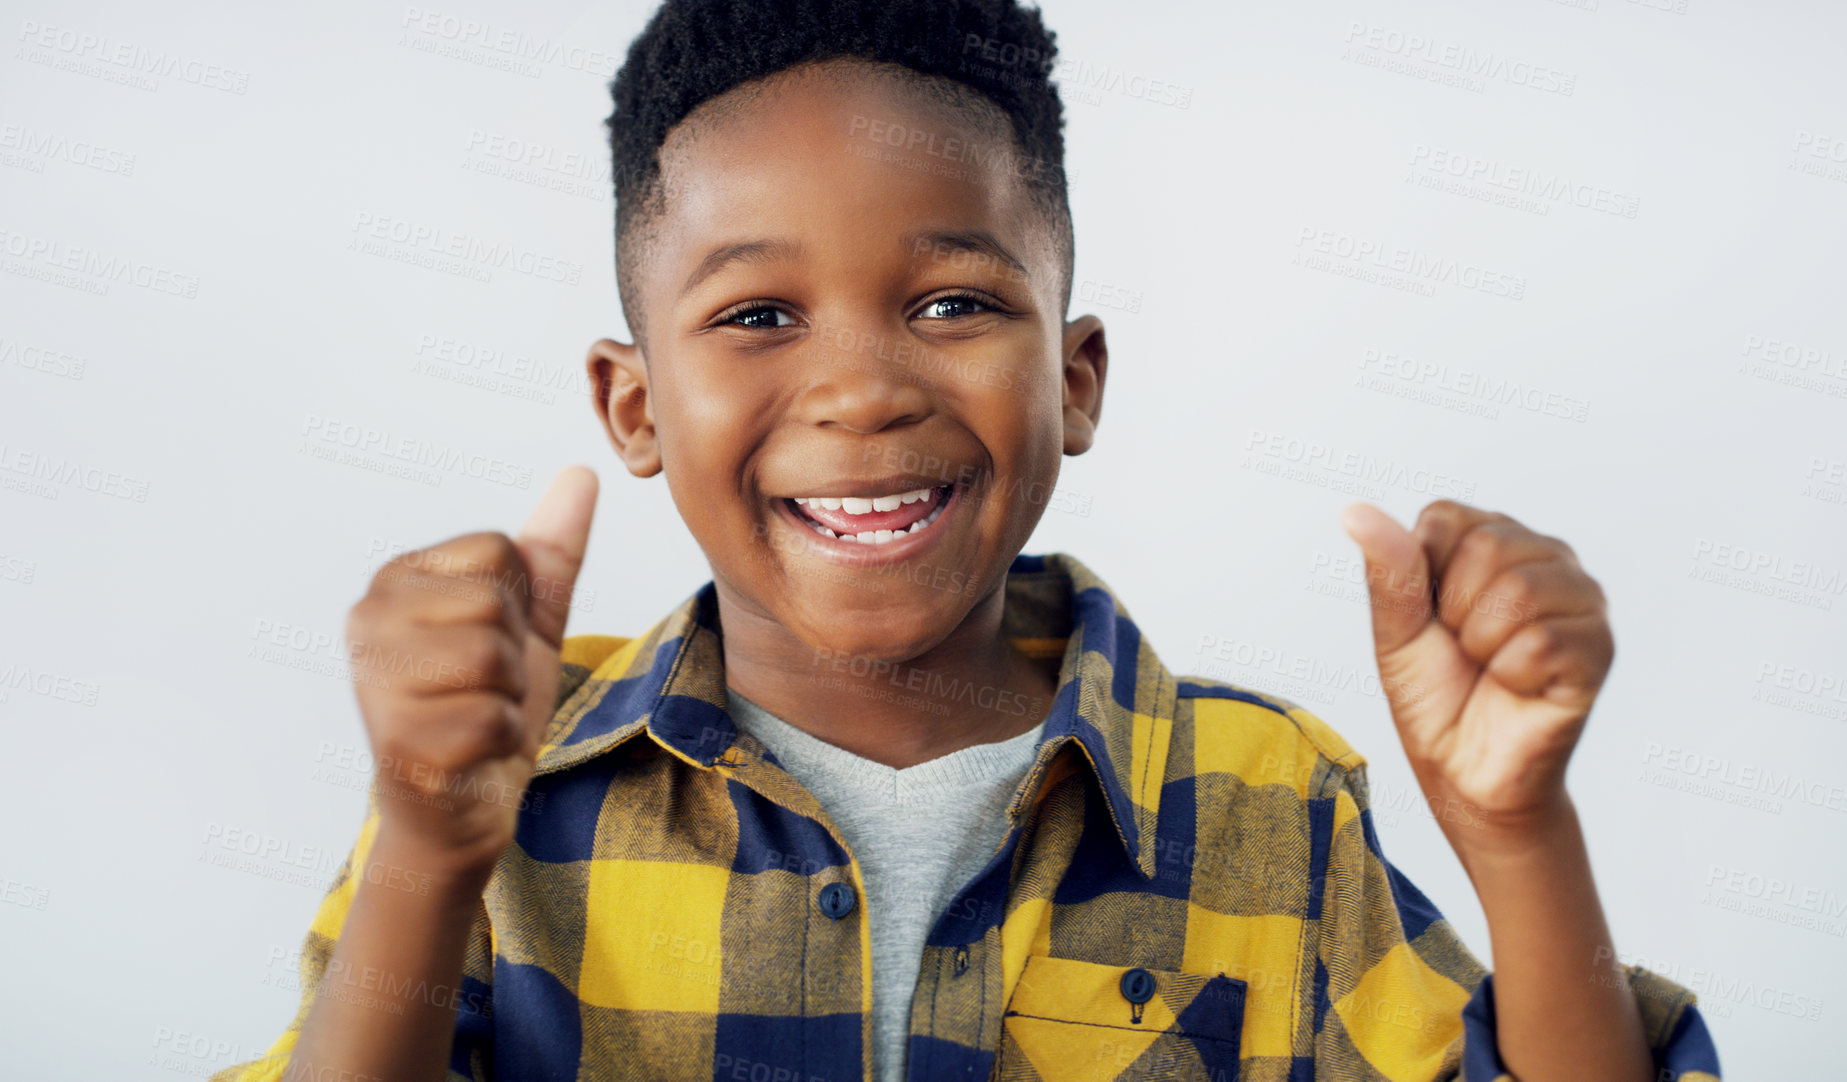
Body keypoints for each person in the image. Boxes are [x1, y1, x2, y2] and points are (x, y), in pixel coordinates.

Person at [211, 1, 1722, 1079]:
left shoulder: (1271, 805)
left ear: (1074, 380)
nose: (864, 387)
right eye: (755, 316)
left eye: (952, 302)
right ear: (633, 402)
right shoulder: (500, 781)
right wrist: (422, 847)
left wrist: (1523, 837)